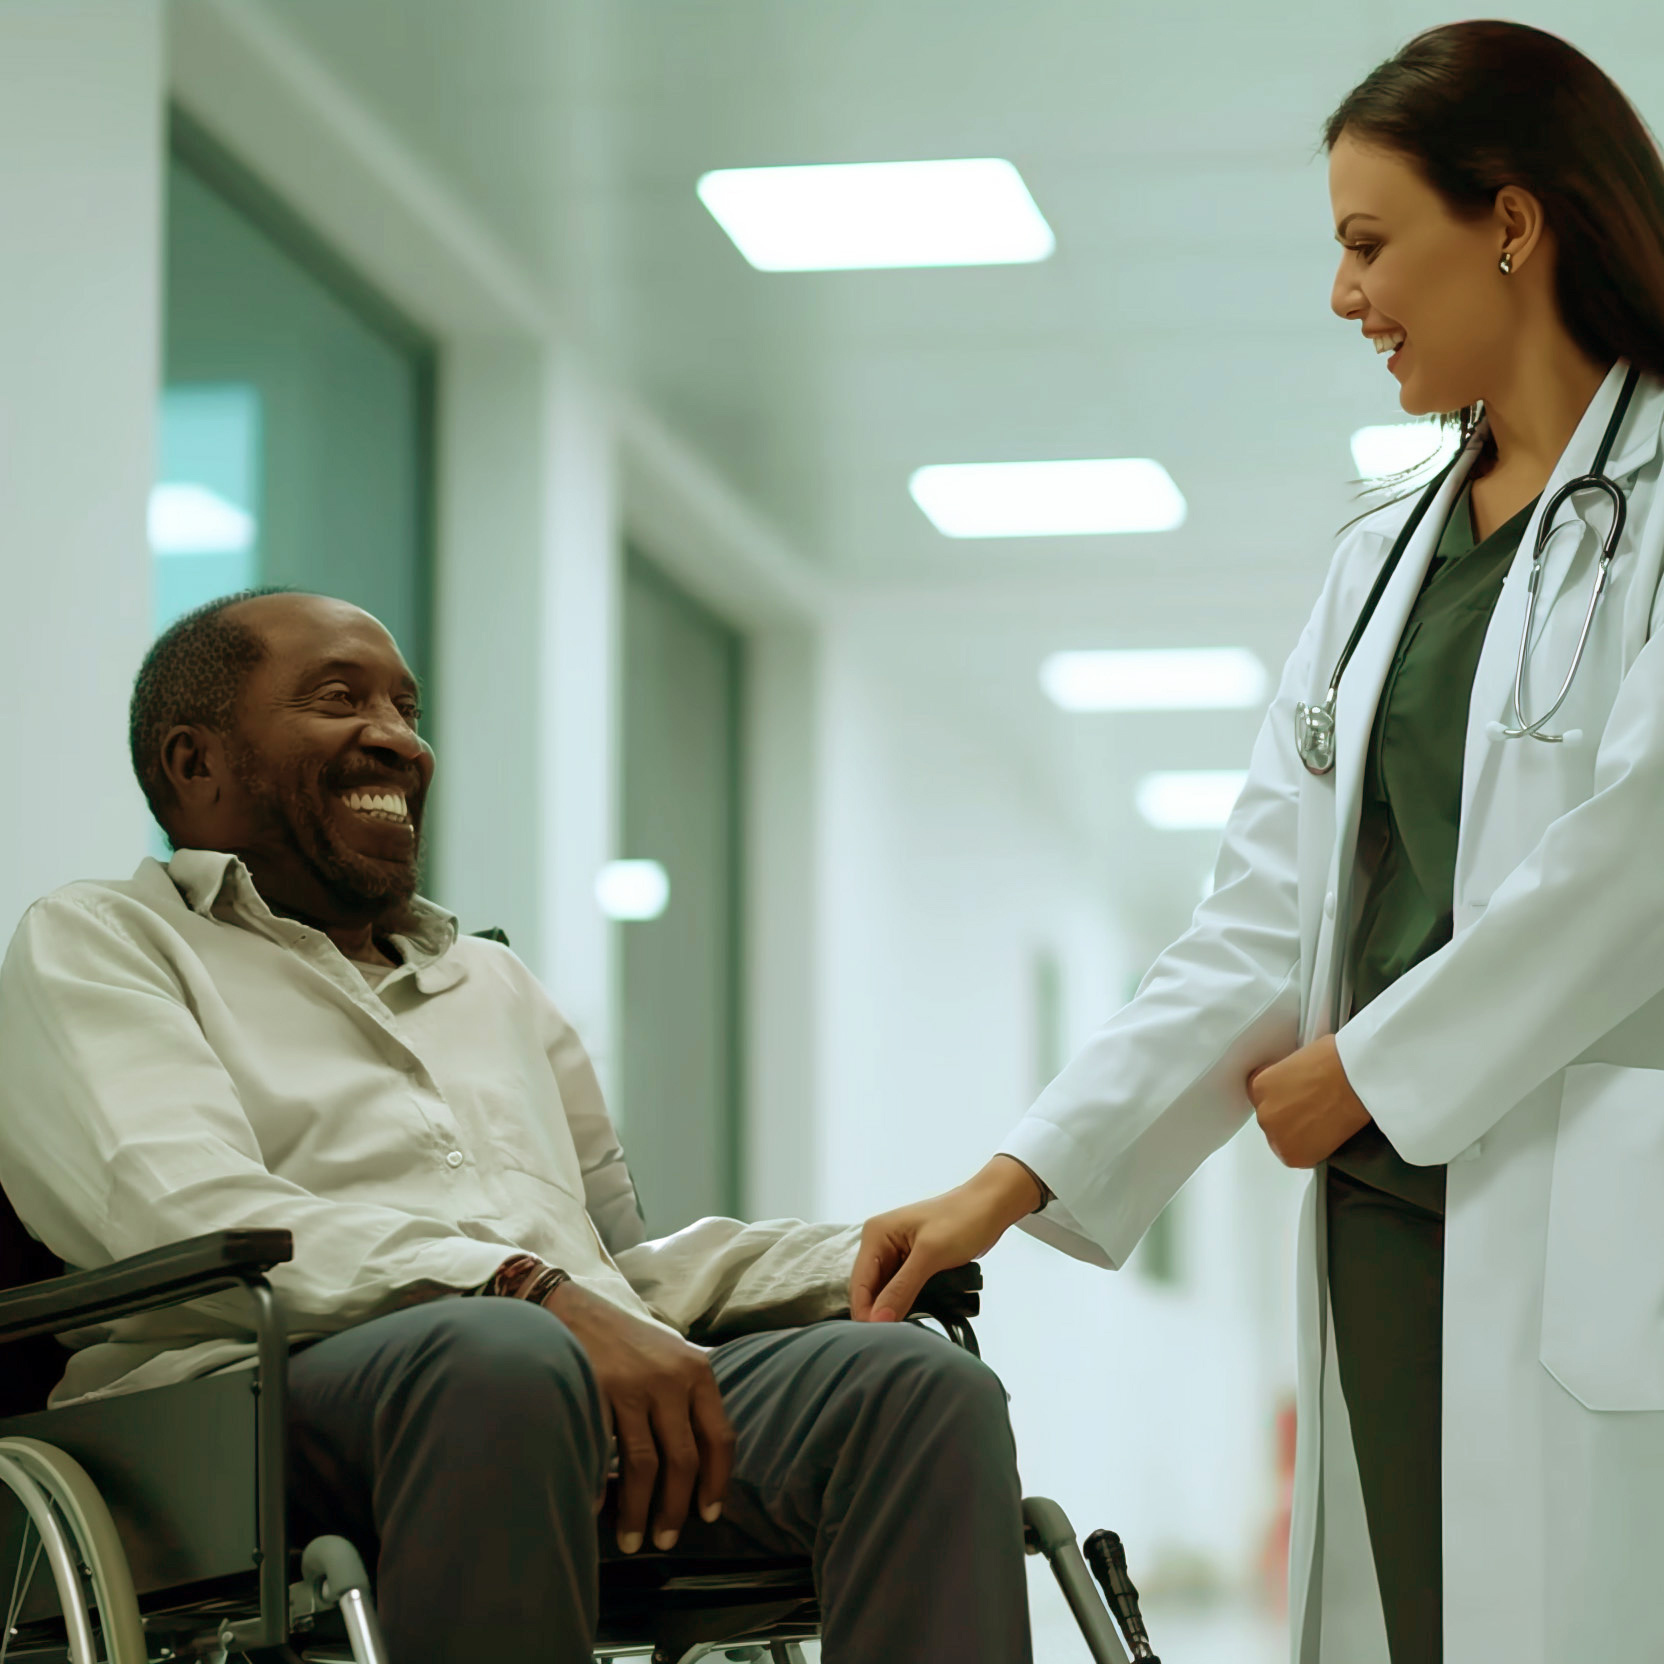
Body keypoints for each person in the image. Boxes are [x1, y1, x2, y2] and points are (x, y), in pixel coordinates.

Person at [849, 21, 1664, 1664]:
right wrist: (1010, 1177)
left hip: (1590, 1191)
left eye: (1369, 243)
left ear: (1508, 223)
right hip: (1383, 1202)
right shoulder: (1381, 555)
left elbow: (1637, 851)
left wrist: (1368, 1059)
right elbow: (1256, 916)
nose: (1342, 295)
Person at [0, 589, 1032, 1664]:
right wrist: (519, 1286)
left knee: (909, 1389)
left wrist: (839, 1255)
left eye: (406, 706)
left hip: (531, 1376)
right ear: (194, 762)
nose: (396, 738)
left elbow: (615, 1267)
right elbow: (178, 1206)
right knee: (500, 1357)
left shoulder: (489, 981)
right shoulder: (103, 941)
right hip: (234, 1409)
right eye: (339, 699)